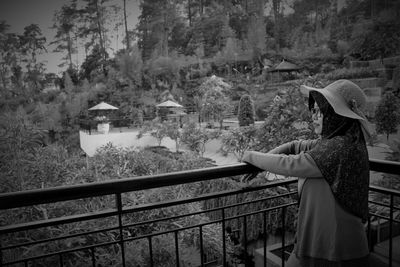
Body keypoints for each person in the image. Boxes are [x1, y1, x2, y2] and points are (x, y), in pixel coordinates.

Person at [242, 79, 372, 267]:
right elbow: (295, 145)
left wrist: (250, 156)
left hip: (336, 248)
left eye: (322, 111)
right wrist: (263, 161)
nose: (314, 116)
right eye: (314, 110)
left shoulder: (341, 147)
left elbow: (292, 164)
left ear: (338, 115)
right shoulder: (338, 141)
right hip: (326, 243)